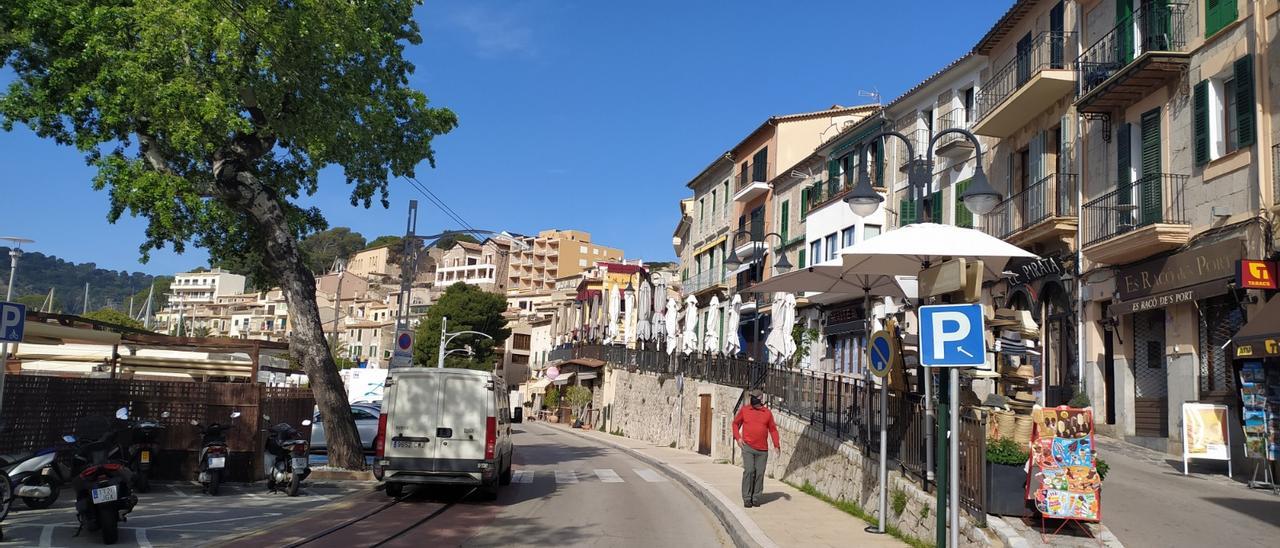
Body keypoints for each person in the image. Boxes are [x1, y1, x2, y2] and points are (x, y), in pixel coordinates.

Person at [732, 389, 780, 508]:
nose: (751, 398)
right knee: (749, 470)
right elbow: (735, 424)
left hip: (762, 450)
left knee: (759, 473)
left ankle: (756, 497)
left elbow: (773, 429)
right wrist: (738, 438)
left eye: (754, 397)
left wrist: (776, 445)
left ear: (760, 399)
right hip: (748, 447)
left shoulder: (767, 413)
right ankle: (747, 498)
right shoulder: (745, 410)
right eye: (751, 396)